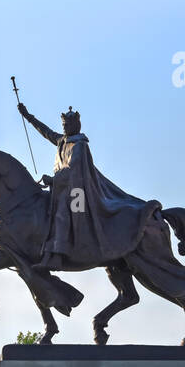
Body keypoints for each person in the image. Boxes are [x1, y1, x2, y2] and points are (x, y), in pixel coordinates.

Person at [17, 101, 156, 273]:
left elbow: (72, 169)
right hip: (64, 190)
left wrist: (53, 180)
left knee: (63, 213)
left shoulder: (79, 145)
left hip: (80, 192)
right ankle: (48, 252)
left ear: (76, 125)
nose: (65, 128)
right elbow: (45, 131)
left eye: (68, 125)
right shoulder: (62, 141)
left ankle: (59, 255)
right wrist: (28, 116)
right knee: (48, 208)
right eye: (64, 125)